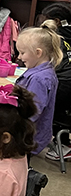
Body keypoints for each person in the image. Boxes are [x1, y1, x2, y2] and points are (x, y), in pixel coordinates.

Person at [15, 23, 62, 156]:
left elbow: (32, 111)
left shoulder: (39, 79)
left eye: (22, 53)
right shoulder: (43, 73)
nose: (19, 57)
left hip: (28, 136)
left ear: (38, 53)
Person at [36, 3, 71, 161]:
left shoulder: (55, 38)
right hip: (66, 91)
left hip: (63, 91)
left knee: (34, 101)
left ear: (56, 21)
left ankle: (60, 146)